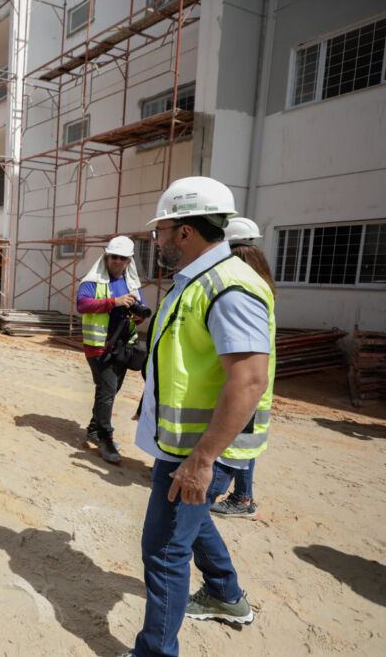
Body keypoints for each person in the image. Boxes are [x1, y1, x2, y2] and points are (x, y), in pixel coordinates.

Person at [120, 177, 276, 657]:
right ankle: (226, 595)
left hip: (202, 449)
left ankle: (155, 653)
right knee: (191, 520)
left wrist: (203, 459)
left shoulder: (228, 288)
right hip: (183, 444)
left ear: (184, 232)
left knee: (164, 550)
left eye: (160, 231)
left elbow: (249, 381)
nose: (157, 241)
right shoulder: (196, 282)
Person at [209, 217, 276, 519]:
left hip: (244, 384)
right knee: (244, 446)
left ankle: (235, 498)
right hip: (258, 383)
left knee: (233, 448)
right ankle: (244, 497)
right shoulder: (260, 283)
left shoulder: (238, 287)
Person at [76, 236, 148, 464]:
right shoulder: (93, 280)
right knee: (106, 390)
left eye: (122, 258)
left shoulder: (132, 284)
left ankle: (94, 428)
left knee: (111, 390)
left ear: (129, 261)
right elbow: (82, 304)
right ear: (107, 257)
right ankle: (105, 438)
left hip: (123, 346)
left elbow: (141, 313)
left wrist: (137, 316)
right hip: (99, 347)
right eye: (113, 257)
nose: (117, 261)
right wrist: (113, 302)